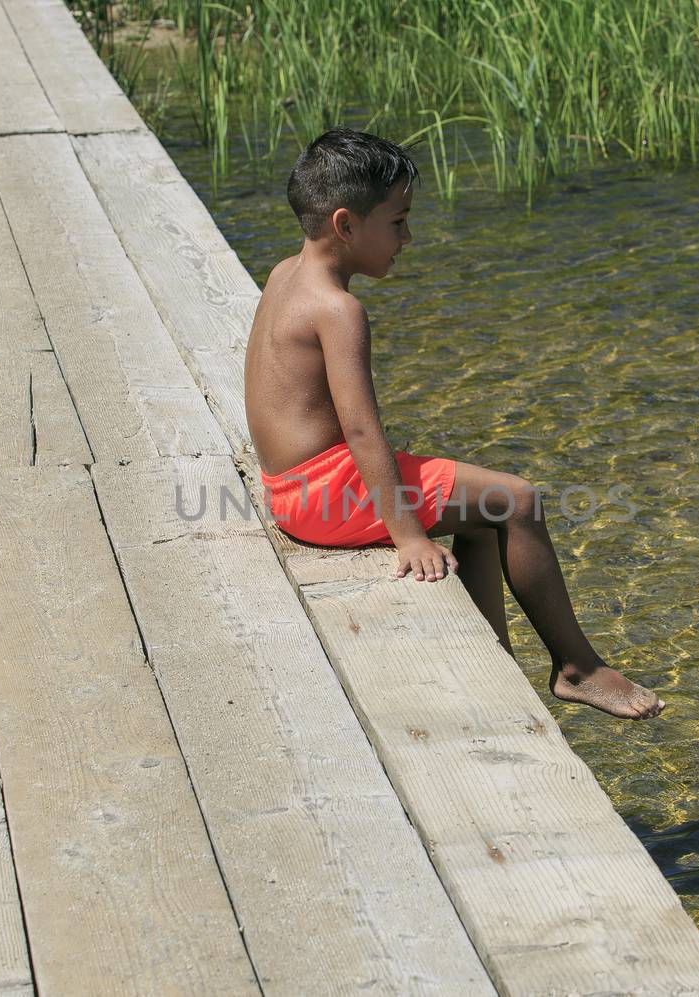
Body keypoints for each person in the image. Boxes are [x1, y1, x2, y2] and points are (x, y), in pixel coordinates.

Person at [243, 128, 664, 721]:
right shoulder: (340, 311)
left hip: (291, 488)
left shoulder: (287, 271)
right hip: (324, 495)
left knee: (483, 506)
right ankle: (577, 668)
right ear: (345, 225)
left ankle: (492, 654)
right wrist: (407, 533)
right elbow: (363, 432)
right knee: (517, 500)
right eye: (398, 221)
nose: (407, 237)